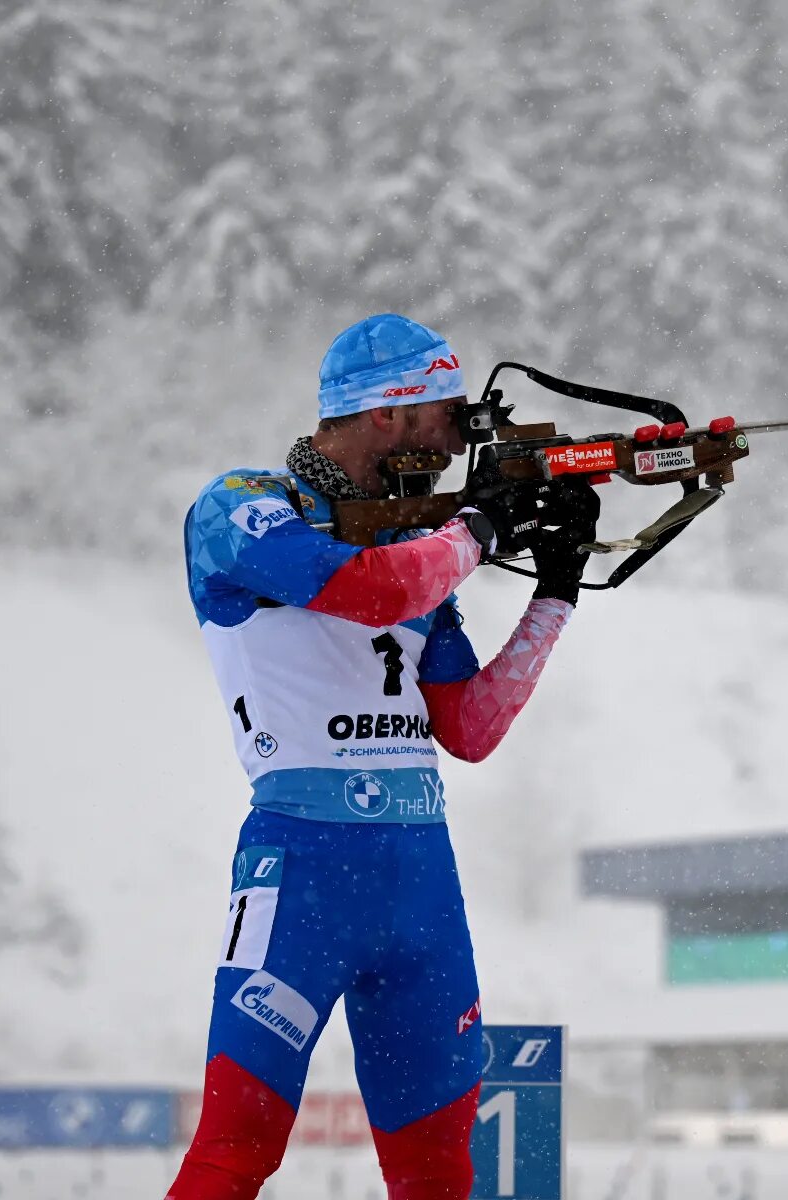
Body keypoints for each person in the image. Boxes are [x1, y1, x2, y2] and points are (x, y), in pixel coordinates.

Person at [165, 314, 596, 1200]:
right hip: (300, 870)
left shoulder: (417, 545)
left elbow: (470, 729)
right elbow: (365, 594)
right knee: (235, 1148)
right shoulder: (241, 508)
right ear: (389, 414)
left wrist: (556, 589)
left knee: (438, 1171)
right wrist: (476, 532)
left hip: (420, 883)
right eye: (446, 414)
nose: (459, 438)